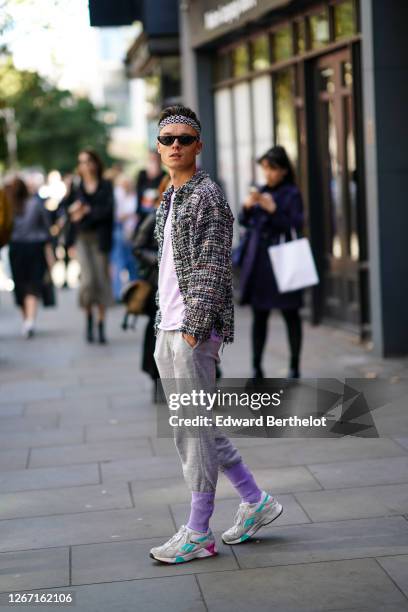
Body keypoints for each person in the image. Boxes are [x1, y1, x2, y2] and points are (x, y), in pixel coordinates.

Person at [149, 105, 283, 565]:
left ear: (198, 145)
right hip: (168, 326)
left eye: (184, 138)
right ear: (158, 145)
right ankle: (255, 501)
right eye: (167, 138)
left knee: (192, 429)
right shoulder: (171, 195)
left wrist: (193, 329)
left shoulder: (208, 195)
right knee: (197, 426)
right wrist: (165, 328)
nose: (175, 146)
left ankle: (199, 530)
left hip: (190, 329)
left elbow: (211, 266)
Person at [239, 146, 304, 379]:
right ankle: (256, 367)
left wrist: (273, 209)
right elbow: (246, 222)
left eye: (272, 169)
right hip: (260, 262)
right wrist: (247, 207)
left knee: (290, 314)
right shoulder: (261, 191)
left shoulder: (291, 193)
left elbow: (295, 224)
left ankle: (294, 366)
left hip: (285, 260)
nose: (268, 173)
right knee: (260, 315)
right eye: (265, 168)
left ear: (284, 170)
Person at [61, 148, 114, 344]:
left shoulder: (106, 185)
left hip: (99, 238)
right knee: (88, 281)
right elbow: (66, 210)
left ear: (95, 163)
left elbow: (108, 212)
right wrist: (73, 210)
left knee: (101, 280)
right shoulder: (76, 185)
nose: (85, 165)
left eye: (88, 161)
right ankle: (89, 319)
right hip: (82, 238)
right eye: (81, 161)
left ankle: (100, 325)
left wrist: (87, 211)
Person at [133, 175, 169, 401]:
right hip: (158, 284)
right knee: (156, 331)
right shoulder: (156, 215)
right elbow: (137, 247)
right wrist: (159, 259)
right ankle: (156, 379)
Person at [7, 177, 52, 338]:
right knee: (32, 284)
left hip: (16, 248)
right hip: (34, 248)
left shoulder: (9, 207)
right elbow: (46, 228)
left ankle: (27, 320)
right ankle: (30, 320)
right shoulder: (35, 204)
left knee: (21, 284)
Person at [111, 174, 138, 301]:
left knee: (131, 263)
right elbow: (118, 216)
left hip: (132, 232)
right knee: (119, 262)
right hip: (121, 230)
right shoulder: (118, 194)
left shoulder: (133, 195)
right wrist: (128, 215)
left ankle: (134, 291)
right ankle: (118, 293)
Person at [135, 151, 166, 224]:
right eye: (150, 160)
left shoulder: (164, 176)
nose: (152, 162)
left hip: (156, 217)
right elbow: (138, 194)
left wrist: (155, 176)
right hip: (142, 215)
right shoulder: (142, 175)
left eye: (154, 160)